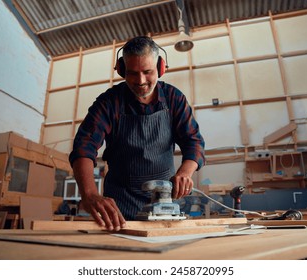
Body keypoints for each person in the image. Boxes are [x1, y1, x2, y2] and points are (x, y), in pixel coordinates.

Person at [69, 36, 205, 231]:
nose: (140, 81)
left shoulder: (174, 99)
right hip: (119, 208)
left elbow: (194, 142)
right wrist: (89, 194)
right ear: (122, 69)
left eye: (147, 72)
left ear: (161, 67)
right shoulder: (109, 103)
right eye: (132, 73)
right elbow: (84, 146)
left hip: (165, 205)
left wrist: (185, 173)